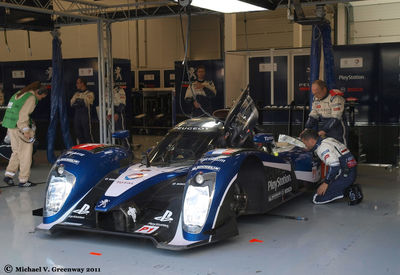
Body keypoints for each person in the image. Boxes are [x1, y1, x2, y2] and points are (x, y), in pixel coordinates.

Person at [2, 81, 48, 187]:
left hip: (11, 127)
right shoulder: (31, 98)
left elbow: (15, 111)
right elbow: (23, 115)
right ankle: (23, 180)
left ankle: (8, 175)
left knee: (16, 152)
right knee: (26, 155)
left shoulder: (19, 93)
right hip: (20, 128)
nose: (41, 99)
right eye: (42, 97)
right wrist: (26, 130)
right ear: (38, 92)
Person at [300, 129, 363, 205]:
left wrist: (326, 183)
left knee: (317, 198)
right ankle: (348, 187)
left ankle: (351, 190)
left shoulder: (322, 148)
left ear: (311, 141)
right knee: (319, 189)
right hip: (349, 170)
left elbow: (334, 166)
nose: (305, 145)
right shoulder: (328, 139)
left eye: (305, 143)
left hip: (345, 174)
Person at [303, 80, 347, 144]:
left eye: (317, 93)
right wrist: (307, 128)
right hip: (324, 127)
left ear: (324, 89)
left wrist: (324, 130)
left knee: (340, 149)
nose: (316, 95)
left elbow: (336, 117)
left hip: (337, 128)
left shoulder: (335, 97)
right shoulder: (315, 98)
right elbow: (313, 115)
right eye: (314, 93)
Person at [71, 77, 95, 144]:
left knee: (87, 135)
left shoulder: (90, 93)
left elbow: (86, 102)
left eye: (78, 83)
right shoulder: (76, 94)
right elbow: (72, 103)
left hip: (85, 117)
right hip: (77, 117)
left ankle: (91, 151)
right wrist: (80, 101)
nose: (76, 84)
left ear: (82, 84)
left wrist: (78, 101)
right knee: (78, 135)